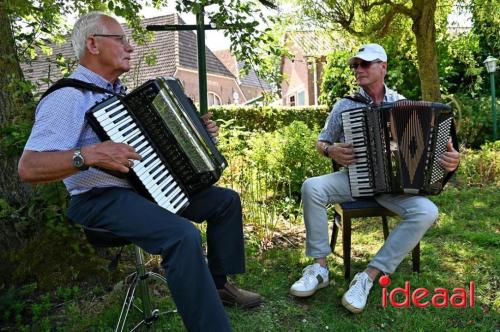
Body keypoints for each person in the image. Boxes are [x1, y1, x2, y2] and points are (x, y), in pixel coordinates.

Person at [18, 11, 261, 331]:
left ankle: (217, 285)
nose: (130, 47)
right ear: (93, 44)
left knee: (225, 201)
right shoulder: (68, 97)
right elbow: (29, 166)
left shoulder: (118, 96)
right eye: (120, 40)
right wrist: (89, 154)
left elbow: (156, 145)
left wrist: (196, 132)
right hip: (99, 198)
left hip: (145, 188)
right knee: (182, 235)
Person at [289, 43, 460, 313]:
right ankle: (319, 269)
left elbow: (433, 154)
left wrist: (450, 161)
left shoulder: (404, 105)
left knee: (428, 211)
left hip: (393, 187)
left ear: (383, 66)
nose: (358, 69)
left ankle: (367, 277)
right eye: (355, 65)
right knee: (312, 187)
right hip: (353, 178)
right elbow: (322, 141)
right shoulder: (345, 105)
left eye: (365, 64)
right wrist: (330, 149)